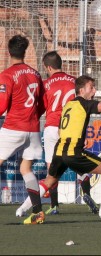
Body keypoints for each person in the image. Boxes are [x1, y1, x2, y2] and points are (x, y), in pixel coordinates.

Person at [29, 74, 101, 219]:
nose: (94, 91)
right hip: (73, 152)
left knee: (49, 181)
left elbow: (60, 130)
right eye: (91, 87)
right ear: (82, 90)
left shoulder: (68, 104)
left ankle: (25, 208)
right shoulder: (84, 104)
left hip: (60, 149)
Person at [15, 51, 97, 217]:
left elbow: (40, 107)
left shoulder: (46, 84)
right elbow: (83, 108)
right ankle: (86, 193)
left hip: (52, 127)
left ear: (49, 67)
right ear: (61, 64)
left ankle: (54, 205)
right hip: (72, 127)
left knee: (52, 169)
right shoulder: (74, 82)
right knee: (79, 161)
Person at [0, 35, 45, 224]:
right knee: (26, 168)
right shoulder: (35, 74)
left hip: (14, 127)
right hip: (34, 129)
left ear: (9, 52)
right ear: (25, 52)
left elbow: (1, 106)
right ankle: (38, 211)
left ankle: (37, 210)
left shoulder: (7, 75)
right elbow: (43, 103)